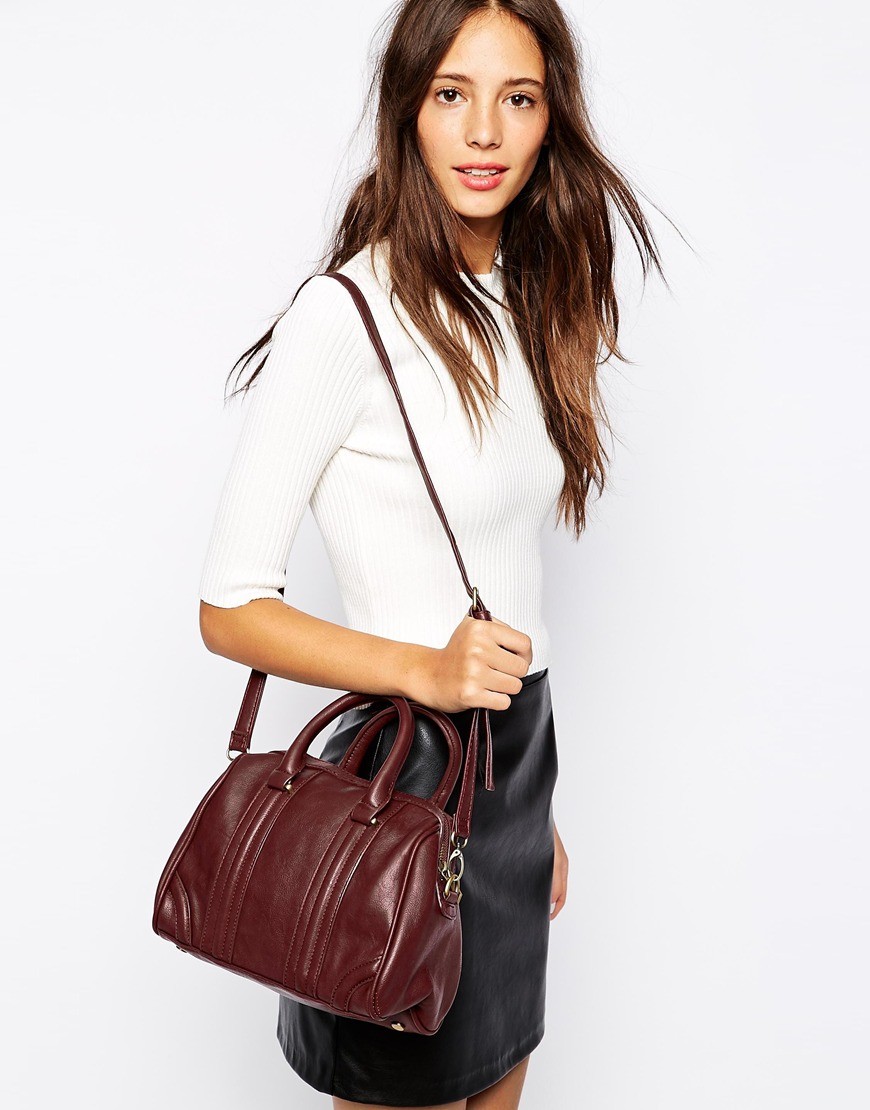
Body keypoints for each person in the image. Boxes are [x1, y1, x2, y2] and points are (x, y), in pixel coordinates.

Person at [197, 2, 664, 1106]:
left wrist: (526, 813)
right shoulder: (344, 317)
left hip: (508, 771)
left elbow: (508, 574)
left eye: (518, 98)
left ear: (552, 120)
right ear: (408, 108)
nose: (484, 131)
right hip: (401, 785)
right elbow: (228, 606)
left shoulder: (527, 301)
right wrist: (425, 670)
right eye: (453, 94)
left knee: (503, 1081)